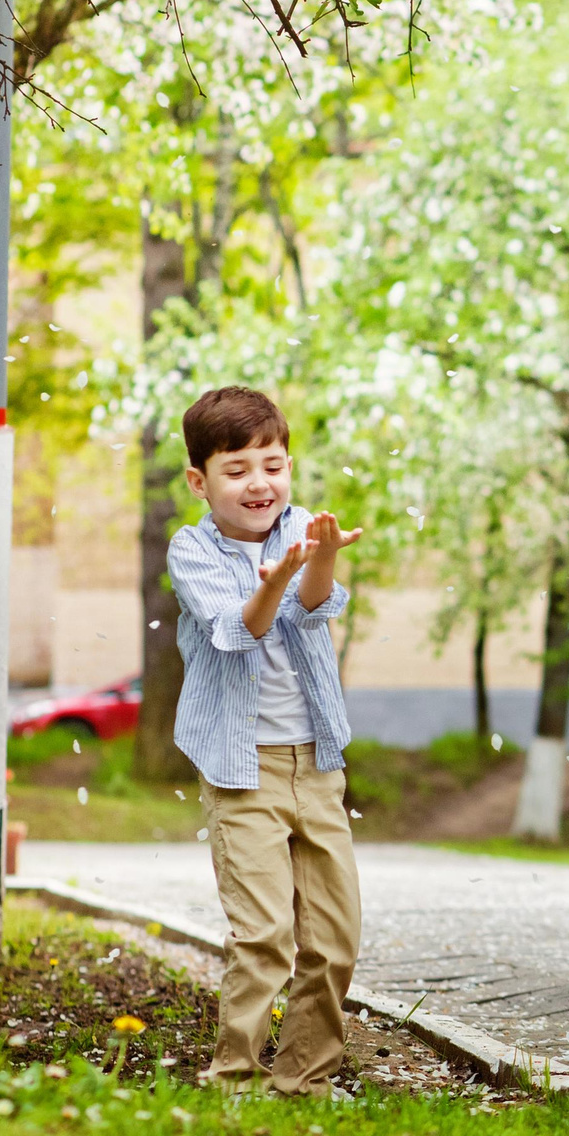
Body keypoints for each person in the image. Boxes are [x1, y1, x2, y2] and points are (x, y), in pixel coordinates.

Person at [166, 384, 367, 1095]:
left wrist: (320, 558)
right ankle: (235, 1078)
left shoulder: (302, 526)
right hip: (242, 769)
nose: (260, 483)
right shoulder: (192, 548)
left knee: (334, 937)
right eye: (238, 469)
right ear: (200, 481)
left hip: (316, 764)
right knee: (264, 937)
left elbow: (313, 610)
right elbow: (238, 630)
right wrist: (275, 579)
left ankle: (303, 1080)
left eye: (273, 465)